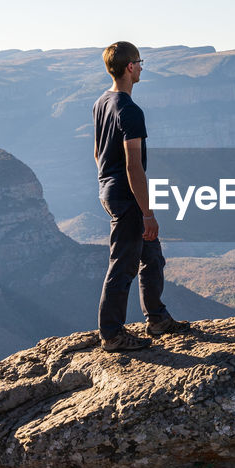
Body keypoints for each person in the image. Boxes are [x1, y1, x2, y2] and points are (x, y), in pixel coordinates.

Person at [93, 41, 189, 352]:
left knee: (152, 257)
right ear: (130, 67)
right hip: (127, 196)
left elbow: (97, 153)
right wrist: (147, 213)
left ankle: (157, 319)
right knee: (123, 265)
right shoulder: (130, 110)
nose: (142, 67)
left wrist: (107, 182)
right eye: (140, 62)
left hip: (110, 189)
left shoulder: (101, 103)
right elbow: (134, 165)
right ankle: (111, 334)